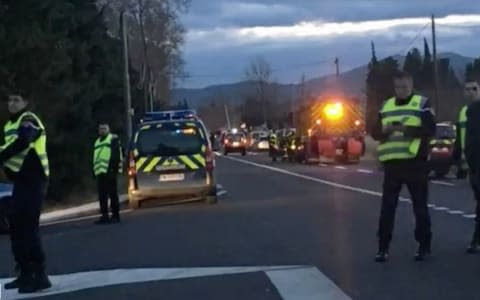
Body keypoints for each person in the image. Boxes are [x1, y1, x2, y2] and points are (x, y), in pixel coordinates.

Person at [372, 71, 436, 262]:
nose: (401, 91)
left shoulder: (422, 104)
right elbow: (374, 131)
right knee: (387, 208)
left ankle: (424, 245)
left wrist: (404, 129)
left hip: (415, 163)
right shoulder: (386, 105)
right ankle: (382, 248)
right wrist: (383, 130)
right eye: (398, 87)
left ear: (411, 85)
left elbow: (430, 129)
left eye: (405, 87)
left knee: (420, 207)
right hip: (392, 165)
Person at [0, 93, 52, 293]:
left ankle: (39, 275)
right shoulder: (8, 126)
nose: (11, 103)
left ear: (25, 103)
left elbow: (24, 141)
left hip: (35, 179)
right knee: (16, 226)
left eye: (16, 100)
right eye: (9, 100)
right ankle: (24, 272)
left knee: (29, 227)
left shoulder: (29, 119)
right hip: (20, 182)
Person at [462, 79, 480, 253]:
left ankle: (476, 239)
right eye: (468, 89)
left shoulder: (474, 110)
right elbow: (464, 138)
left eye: (474, 89)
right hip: (472, 162)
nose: (471, 92)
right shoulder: (465, 111)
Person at [93, 123, 122, 224]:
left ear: (108, 130)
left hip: (110, 171)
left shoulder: (113, 139)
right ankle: (104, 216)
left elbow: (116, 155)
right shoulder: (97, 142)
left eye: (104, 129)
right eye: (100, 129)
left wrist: (113, 168)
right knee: (102, 196)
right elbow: (96, 157)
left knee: (113, 194)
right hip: (100, 172)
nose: (102, 130)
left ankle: (115, 215)